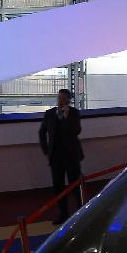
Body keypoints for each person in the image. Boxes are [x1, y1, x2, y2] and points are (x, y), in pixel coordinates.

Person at [39, 89, 84, 225]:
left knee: (75, 184)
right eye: (59, 97)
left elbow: (77, 131)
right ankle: (63, 213)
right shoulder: (49, 113)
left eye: (63, 98)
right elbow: (42, 132)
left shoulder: (74, 113)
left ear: (68, 100)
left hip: (71, 156)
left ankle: (81, 212)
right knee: (58, 186)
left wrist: (66, 117)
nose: (60, 100)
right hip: (56, 157)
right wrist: (46, 151)